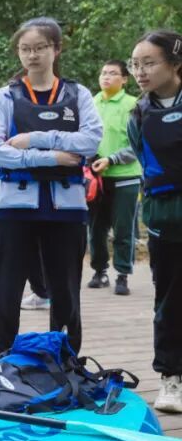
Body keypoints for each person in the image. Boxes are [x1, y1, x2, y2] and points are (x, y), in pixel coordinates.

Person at [0, 17, 102, 355]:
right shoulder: (4, 97)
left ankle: (65, 361)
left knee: (66, 292)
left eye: (40, 48)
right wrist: (53, 157)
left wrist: (34, 139)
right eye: (25, 49)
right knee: (6, 291)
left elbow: (91, 140)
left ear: (56, 49)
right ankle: (4, 360)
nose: (32, 55)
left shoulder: (78, 94)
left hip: (67, 208)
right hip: (12, 207)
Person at [126, 31, 182, 412]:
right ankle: (171, 378)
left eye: (149, 63)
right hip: (165, 218)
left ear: (175, 64)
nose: (140, 72)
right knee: (169, 302)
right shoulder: (138, 114)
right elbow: (146, 164)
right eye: (135, 64)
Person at [87, 59, 141, 297]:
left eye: (112, 73)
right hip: (96, 178)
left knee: (123, 229)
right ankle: (100, 272)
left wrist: (112, 159)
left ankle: (122, 274)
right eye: (103, 73)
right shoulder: (91, 103)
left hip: (126, 177)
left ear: (124, 79)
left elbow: (139, 144)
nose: (106, 77)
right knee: (95, 229)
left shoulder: (134, 105)